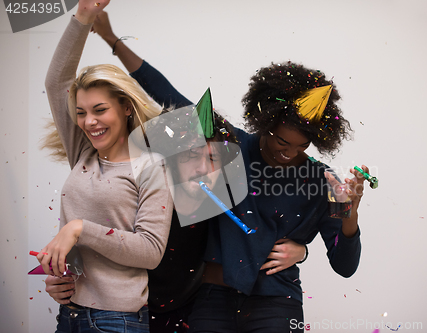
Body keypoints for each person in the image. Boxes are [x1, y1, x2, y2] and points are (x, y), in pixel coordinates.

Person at [44, 11, 308, 333]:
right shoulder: (155, 171)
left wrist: (302, 249)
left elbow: (269, 218)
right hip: (122, 306)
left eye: (213, 160)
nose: (201, 168)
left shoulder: (220, 199)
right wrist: (112, 39)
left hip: (178, 310)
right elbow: (159, 88)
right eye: (191, 156)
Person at [126, 59, 368, 332]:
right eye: (282, 141)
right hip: (211, 300)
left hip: (277, 303)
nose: (289, 153)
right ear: (266, 123)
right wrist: (113, 41)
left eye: (302, 146)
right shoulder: (229, 146)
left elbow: (345, 266)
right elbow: (168, 94)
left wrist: (350, 212)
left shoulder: (324, 182)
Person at [37, 1, 173, 332]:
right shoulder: (83, 153)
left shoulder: (151, 166)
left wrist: (79, 228)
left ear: (126, 107)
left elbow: (150, 251)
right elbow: (57, 83)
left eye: (100, 110)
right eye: (81, 112)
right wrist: (83, 15)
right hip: (70, 314)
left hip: (116, 321)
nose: (89, 122)